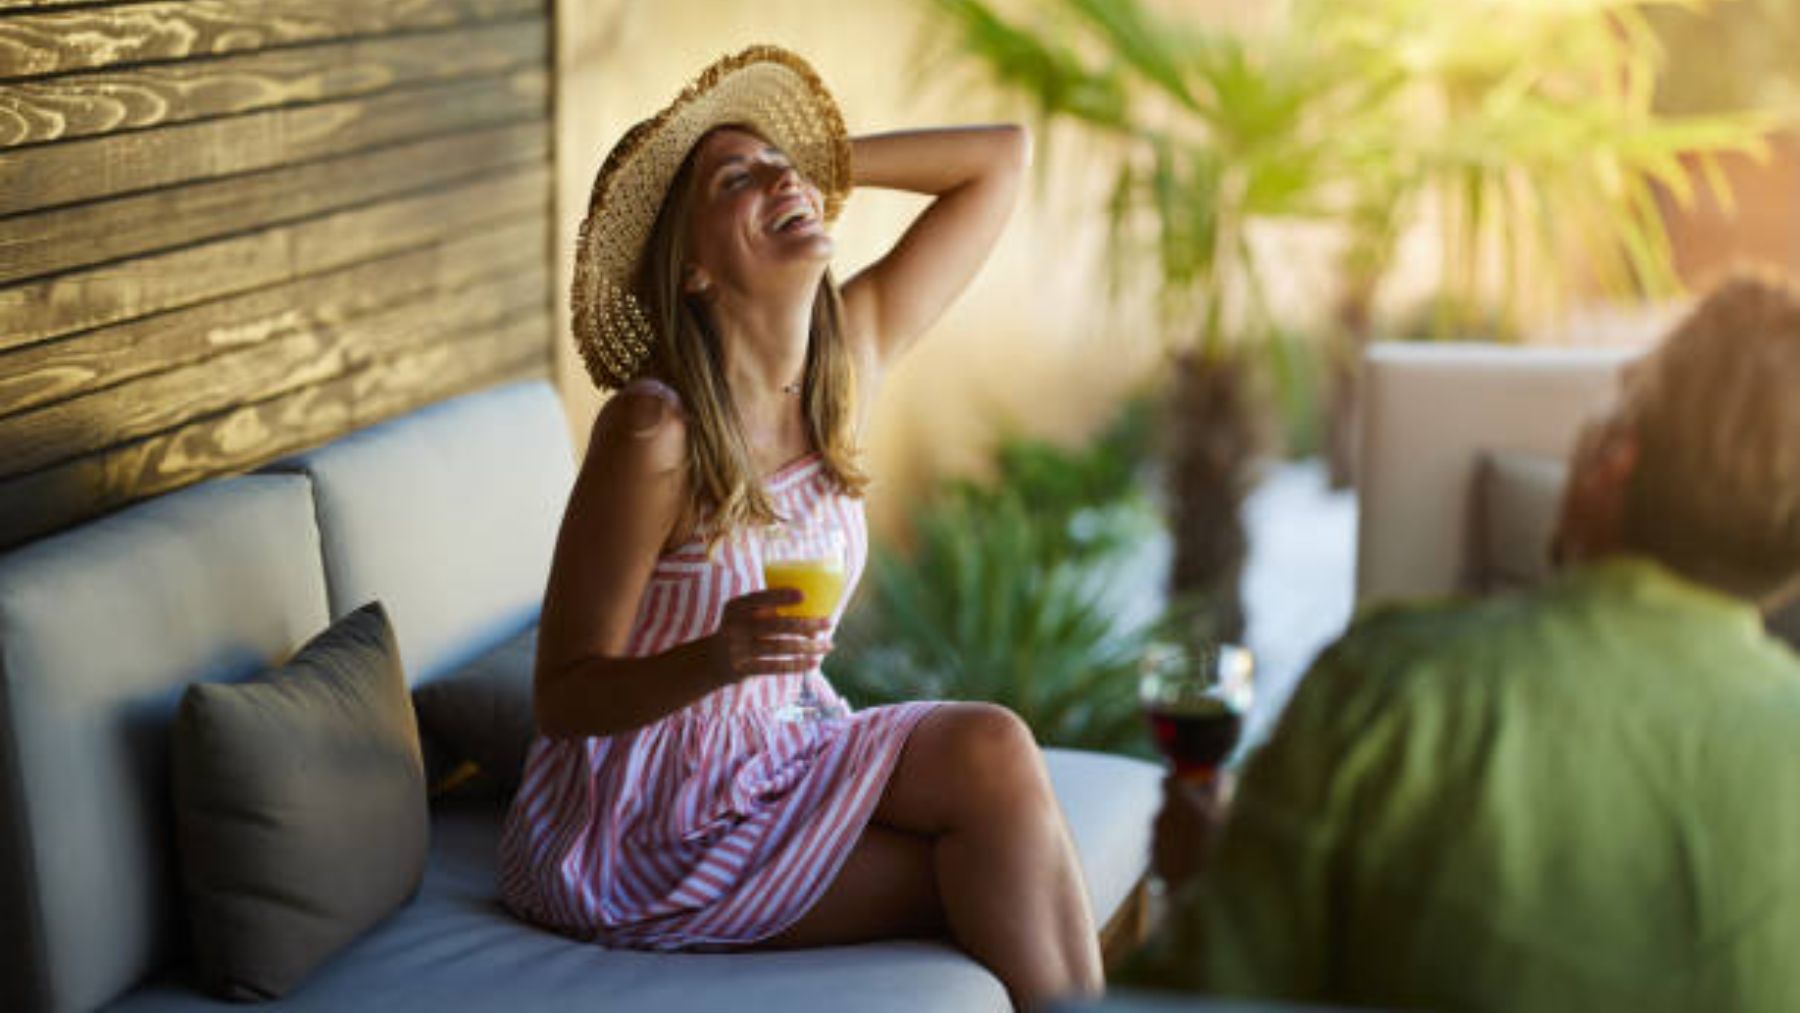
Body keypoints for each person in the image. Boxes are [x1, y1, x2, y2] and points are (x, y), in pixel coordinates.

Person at [496, 46, 1101, 1007]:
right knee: (984, 872)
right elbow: (563, 694)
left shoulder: (846, 362)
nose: (777, 177)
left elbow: (1001, 160)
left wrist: (812, 164)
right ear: (693, 267)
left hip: (782, 748)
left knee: (995, 747)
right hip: (647, 823)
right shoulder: (656, 434)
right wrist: (717, 656)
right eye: (736, 179)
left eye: (781, 165)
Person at [1128, 275, 1800, 1009]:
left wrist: (1205, 877)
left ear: (1616, 462)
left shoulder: (1387, 688)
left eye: (1610, 406)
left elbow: (1206, 998)